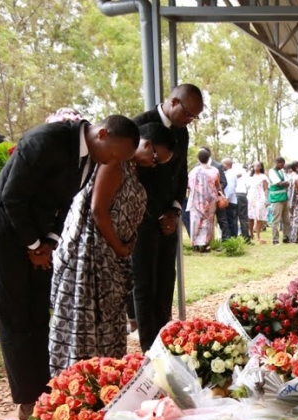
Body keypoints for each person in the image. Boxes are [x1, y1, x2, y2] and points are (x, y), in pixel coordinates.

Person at [0, 115, 138, 419]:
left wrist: (48, 241)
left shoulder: (92, 157)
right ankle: (27, 400)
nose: (114, 162)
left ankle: (45, 388)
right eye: (114, 154)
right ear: (103, 134)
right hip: (3, 233)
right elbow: (12, 197)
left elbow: (64, 203)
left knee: (37, 315)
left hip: (37, 235)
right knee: (15, 318)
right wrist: (34, 246)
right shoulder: (44, 140)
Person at [49, 123, 175, 375]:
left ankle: (105, 380)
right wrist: (119, 247)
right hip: (92, 256)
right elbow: (98, 210)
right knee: (87, 326)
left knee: (108, 325)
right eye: (155, 157)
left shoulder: (131, 169)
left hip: (113, 257)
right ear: (146, 144)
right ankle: (79, 384)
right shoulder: (113, 163)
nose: (154, 164)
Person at [132, 83, 203, 351]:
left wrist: (174, 210)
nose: (189, 121)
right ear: (173, 102)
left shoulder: (182, 133)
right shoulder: (138, 126)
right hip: (141, 218)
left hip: (168, 218)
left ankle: (165, 339)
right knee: (144, 283)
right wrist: (149, 215)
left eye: (194, 117)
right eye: (188, 114)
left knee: (165, 279)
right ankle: (149, 348)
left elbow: (181, 173)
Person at [186, 149, 220, 251]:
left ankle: (195, 244)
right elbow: (217, 185)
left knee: (195, 221)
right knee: (208, 222)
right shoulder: (215, 170)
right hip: (210, 201)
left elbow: (188, 185)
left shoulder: (194, 171)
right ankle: (205, 244)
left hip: (196, 200)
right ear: (209, 158)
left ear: (198, 159)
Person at [267, 157, 290, 244]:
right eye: (282, 164)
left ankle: (286, 236)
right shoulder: (272, 171)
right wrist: (284, 183)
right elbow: (278, 183)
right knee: (276, 220)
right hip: (276, 199)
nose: (283, 166)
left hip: (284, 198)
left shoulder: (282, 171)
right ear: (277, 163)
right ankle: (275, 239)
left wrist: (284, 183)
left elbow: (287, 182)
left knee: (286, 220)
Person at [246, 161, 269, 243]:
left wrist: (266, 200)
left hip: (260, 197)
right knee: (250, 216)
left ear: (260, 167)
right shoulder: (250, 177)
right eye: (254, 165)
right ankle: (251, 233)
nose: (256, 167)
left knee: (260, 216)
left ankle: (258, 234)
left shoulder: (263, 177)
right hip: (251, 197)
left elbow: (265, 189)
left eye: (258, 165)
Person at [233, 162, 250, 242]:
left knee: (233, 218)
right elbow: (248, 185)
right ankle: (246, 238)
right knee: (243, 218)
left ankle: (233, 238)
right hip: (242, 194)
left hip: (233, 195)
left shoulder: (230, 170)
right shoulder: (243, 171)